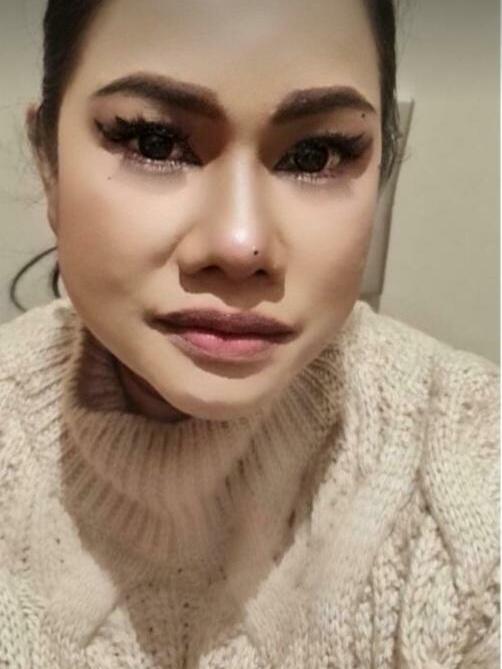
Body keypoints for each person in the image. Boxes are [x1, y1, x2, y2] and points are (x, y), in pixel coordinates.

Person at [0, 0, 499, 666]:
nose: (240, 245)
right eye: (154, 143)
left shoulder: (471, 461)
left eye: (316, 154)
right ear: (49, 164)